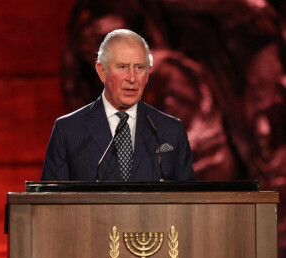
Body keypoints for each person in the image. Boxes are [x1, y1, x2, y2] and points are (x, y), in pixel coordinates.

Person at [41, 29, 195, 181]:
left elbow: (188, 202)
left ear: (147, 75)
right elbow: (51, 203)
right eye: (123, 67)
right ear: (102, 71)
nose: (132, 78)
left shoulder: (171, 130)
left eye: (139, 68)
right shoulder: (68, 130)